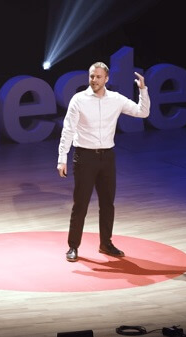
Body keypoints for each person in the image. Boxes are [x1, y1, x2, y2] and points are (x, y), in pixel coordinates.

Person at [57, 61, 150, 262]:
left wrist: (142, 89)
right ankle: (73, 246)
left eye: (98, 77)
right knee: (80, 204)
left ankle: (106, 243)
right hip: (85, 157)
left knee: (107, 203)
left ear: (106, 79)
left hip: (107, 157)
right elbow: (68, 129)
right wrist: (61, 158)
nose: (94, 80)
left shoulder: (116, 99)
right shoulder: (78, 100)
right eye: (91, 76)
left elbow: (143, 112)